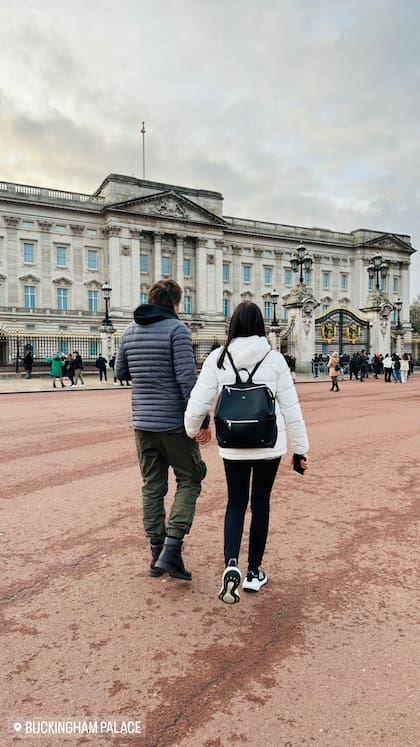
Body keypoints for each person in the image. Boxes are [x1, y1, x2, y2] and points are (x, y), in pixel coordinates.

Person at [184, 301, 309, 604]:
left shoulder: (217, 357)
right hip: (268, 445)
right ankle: (254, 572)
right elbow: (292, 409)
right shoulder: (274, 358)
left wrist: (193, 430)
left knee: (236, 503)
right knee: (261, 505)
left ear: (233, 325)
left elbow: (197, 402)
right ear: (260, 326)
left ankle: (231, 566)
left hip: (233, 445)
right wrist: (301, 449)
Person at [116, 278, 210, 581]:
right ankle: (171, 549)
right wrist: (202, 419)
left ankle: (157, 553)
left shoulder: (129, 331)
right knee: (191, 479)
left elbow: (121, 372)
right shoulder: (176, 329)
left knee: (152, 486)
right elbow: (186, 379)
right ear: (174, 303)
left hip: (142, 424)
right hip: (173, 424)